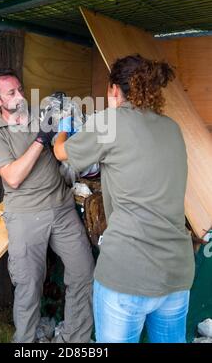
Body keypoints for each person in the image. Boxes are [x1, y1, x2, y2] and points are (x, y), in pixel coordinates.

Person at [53, 54, 195, 343]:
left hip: (128, 271)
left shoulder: (110, 120)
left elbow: (61, 154)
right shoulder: (171, 127)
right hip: (177, 272)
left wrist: (62, 128)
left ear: (114, 90)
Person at [0, 69, 94, 343]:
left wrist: (69, 119)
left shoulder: (40, 114)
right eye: (12, 93)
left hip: (62, 208)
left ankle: (73, 339)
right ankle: (26, 343)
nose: (21, 96)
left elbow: (68, 143)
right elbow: (14, 177)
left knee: (84, 274)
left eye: (21, 89)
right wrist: (42, 138)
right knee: (28, 286)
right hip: (25, 215)